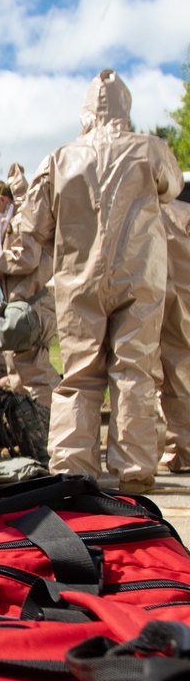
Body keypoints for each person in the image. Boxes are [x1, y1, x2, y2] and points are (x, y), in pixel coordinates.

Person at [15, 70, 183, 494]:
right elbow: (172, 187)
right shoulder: (150, 149)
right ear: (125, 107)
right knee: (136, 370)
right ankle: (136, 470)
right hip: (139, 275)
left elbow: (32, 223)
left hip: (78, 278)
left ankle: (73, 469)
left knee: (80, 375)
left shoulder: (59, 157)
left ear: (86, 110)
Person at [0, 163, 59, 409]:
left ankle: (56, 431)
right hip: (24, 307)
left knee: (37, 375)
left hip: (33, 307)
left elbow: (27, 258)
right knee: (22, 375)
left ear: (2, 200)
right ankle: (38, 431)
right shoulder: (16, 221)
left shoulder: (23, 221)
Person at [159, 178, 190, 472]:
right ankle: (183, 450)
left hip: (151, 298)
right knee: (180, 373)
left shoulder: (155, 211)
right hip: (182, 300)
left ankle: (175, 450)